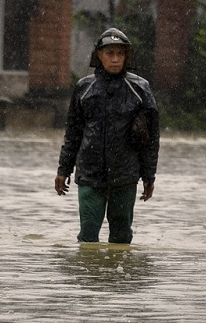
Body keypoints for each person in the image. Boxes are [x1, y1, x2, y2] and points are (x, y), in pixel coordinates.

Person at [55, 28, 160, 245]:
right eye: (109, 53)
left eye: (120, 54)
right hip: (90, 175)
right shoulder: (84, 88)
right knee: (88, 235)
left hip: (125, 175)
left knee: (121, 238)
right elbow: (73, 132)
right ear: (99, 55)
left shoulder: (140, 89)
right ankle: (88, 276)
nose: (115, 59)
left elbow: (151, 139)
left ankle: (117, 279)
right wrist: (63, 170)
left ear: (126, 57)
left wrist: (149, 175)